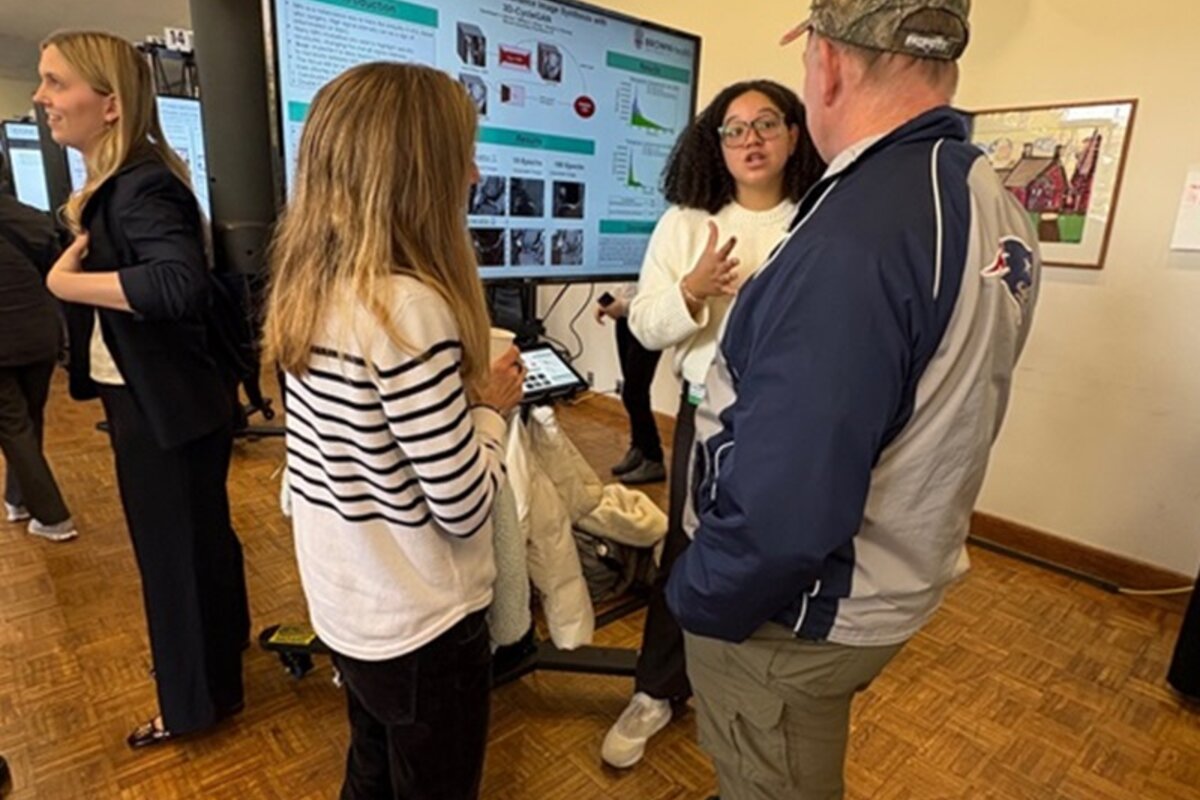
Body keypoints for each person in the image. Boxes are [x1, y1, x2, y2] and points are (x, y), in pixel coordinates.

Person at [666, 2, 1042, 798]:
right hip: (898, 575)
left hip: (796, 616)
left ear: (827, 65)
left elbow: (786, 506)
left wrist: (698, 593)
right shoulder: (985, 196)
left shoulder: (854, 238)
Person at [263, 62, 525, 800]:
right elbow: (463, 505)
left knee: (372, 763)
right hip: (424, 621)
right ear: (421, 172)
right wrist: (488, 409)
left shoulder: (309, 288)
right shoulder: (411, 311)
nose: (475, 174)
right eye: (462, 155)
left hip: (350, 605)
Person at [601, 80, 825, 769]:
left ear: (794, 134)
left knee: (782, 559)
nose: (751, 140)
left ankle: (752, 693)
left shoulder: (822, 217)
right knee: (689, 553)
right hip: (708, 415)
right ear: (715, 143)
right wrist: (693, 289)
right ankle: (657, 691)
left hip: (798, 419)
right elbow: (643, 322)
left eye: (766, 124)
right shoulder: (684, 222)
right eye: (734, 129)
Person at [35, 31, 250, 748]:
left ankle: (190, 706)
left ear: (111, 104)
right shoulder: (135, 178)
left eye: (56, 83)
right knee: (199, 545)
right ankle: (218, 673)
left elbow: (175, 284)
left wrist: (64, 284)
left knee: (173, 558)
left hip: (165, 410)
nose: (42, 98)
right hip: (175, 402)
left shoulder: (138, 184)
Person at [0, 187, 76, 541]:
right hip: (41, 336)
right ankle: (19, 498)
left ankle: (53, 517)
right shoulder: (33, 218)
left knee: (14, 427)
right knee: (29, 418)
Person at [595, 284, 666, 486]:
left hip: (647, 323)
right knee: (635, 391)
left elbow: (660, 294)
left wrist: (624, 306)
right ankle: (639, 448)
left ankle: (654, 458)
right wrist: (608, 300)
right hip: (624, 321)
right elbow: (624, 282)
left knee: (634, 393)